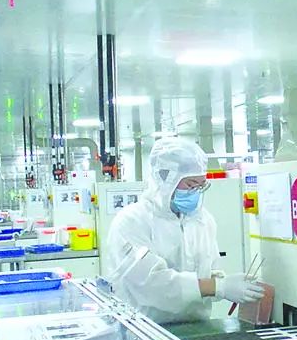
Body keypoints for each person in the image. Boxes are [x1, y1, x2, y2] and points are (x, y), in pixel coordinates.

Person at [105, 138, 263, 324]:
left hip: (195, 327)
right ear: (164, 179)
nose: (195, 192)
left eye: (201, 185)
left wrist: (225, 283)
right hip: (145, 329)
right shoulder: (132, 221)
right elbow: (151, 286)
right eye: (190, 184)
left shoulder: (202, 220)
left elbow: (205, 273)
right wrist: (218, 287)